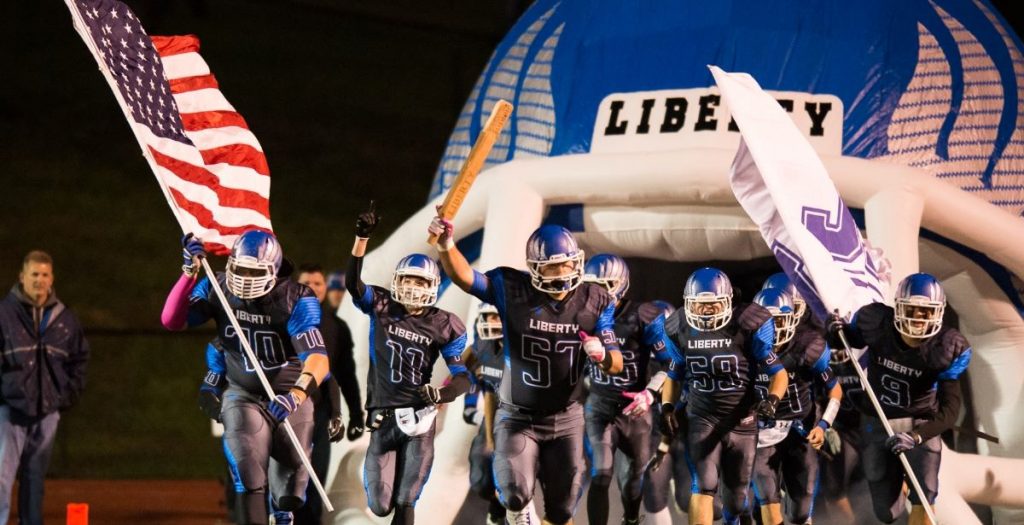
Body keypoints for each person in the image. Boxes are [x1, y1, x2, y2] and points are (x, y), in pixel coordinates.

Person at [429, 214, 623, 525]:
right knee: (515, 495)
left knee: (561, 512)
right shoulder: (512, 288)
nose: (562, 274)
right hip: (518, 415)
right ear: (534, 267)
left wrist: (602, 355)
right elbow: (466, 277)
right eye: (552, 267)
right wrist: (446, 244)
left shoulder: (595, 298)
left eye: (567, 264)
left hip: (566, 417)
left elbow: (617, 362)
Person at [161, 230, 330, 525]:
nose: (245, 278)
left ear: (274, 271)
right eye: (240, 269)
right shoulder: (218, 287)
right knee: (248, 474)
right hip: (243, 394)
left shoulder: (294, 298)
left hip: (288, 397)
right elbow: (172, 320)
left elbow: (317, 359)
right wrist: (188, 273)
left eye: (255, 271)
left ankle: (283, 505)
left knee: (291, 491)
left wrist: (295, 396)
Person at [347, 203, 470, 525]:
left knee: (406, 500)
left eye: (419, 282)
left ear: (432, 287)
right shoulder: (384, 306)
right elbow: (353, 285)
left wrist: (441, 395)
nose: (412, 288)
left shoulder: (445, 323)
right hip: (381, 418)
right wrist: (361, 239)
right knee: (379, 505)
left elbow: (462, 376)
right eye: (408, 281)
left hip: (418, 419)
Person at [827, 273, 971, 525]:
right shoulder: (876, 322)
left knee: (924, 497)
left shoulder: (947, 346)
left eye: (925, 312)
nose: (918, 318)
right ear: (898, 307)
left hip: (919, 422)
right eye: (912, 309)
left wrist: (918, 436)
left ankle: (915, 486)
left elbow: (950, 410)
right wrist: (834, 331)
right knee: (886, 512)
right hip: (878, 419)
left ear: (937, 313)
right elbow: (847, 339)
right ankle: (901, 483)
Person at [651, 267, 788, 525]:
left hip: (742, 422)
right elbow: (675, 372)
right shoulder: (679, 325)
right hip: (703, 418)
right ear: (689, 303)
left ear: (727, 302)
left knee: (736, 500)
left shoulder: (748, 323)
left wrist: (772, 400)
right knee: (703, 485)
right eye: (700, 305)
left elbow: (778, 373)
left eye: (712, 305)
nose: (706, 311)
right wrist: (667, 406)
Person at [581, 254, 676, 525]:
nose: (597, 293)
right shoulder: (581, 315)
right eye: (592, 286)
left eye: (604, 285)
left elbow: (670, 365)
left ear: (621, 284)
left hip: (634, 409)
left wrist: (649, 393)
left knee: (634, 480)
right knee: (601, 472)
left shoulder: (643, 316)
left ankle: (631, 519)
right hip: (599, 405)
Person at [0, 250, 89, 525]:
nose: (39, 280)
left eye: (45, 274)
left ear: (52, 279)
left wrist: (64, 396)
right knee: (1, 478)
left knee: (35, 479)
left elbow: (79, 359)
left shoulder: (64, 319)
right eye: (34, 274)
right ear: (22, 277)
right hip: (10, 410)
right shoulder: (4, 314)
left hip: (48, 411)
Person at [750, 287, 841, 525]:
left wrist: (824, 425)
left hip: (800, 428)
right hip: (761, 433)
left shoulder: (807, 346)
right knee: (767, 503)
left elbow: (835, 389)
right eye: (767, 322)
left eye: (779, 321)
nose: (774, 329)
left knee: (800, 512)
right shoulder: (744, 348)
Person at [293, 263, 364, 524]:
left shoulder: (337, 327)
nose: (313, 288)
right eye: (307, 283)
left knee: (316, 477)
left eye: (318, 283)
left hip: (321, 413)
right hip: (286, 412)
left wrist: (356, 413)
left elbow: (346, 374)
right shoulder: (282, 319)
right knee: (287, 478)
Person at [461, 303, 507, 525]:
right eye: (487, 317)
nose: (490, 323)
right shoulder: (481, 349)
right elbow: (469, 410)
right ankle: (498, 506)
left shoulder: (526, 349)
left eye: (496, 317)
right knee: (480, 476)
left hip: (528, 420)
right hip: (495, 415)